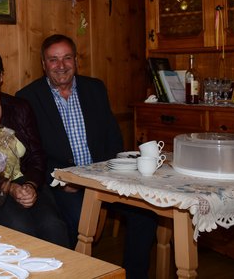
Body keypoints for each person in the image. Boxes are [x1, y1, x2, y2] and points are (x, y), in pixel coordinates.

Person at [16, 34, 157, 279]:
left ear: (76, 60)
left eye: (67, 58)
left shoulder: (94, 88)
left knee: (145, 213)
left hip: (105, 177)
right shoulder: (28, 97)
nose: (61, 65)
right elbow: (31, 154)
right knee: (74, 221)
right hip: (64, 182)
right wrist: (62, 179)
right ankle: (72, 273)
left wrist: (113, 172)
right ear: (43, 64)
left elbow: (113, 137)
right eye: (53, 60)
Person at [0, 46, 70, 248]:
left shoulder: (20, 107)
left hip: (26, 178)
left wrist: (31, 185)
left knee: (54, 226)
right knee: (22, 227)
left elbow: (37, 155)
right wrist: (10, 188)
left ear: (1, 76)